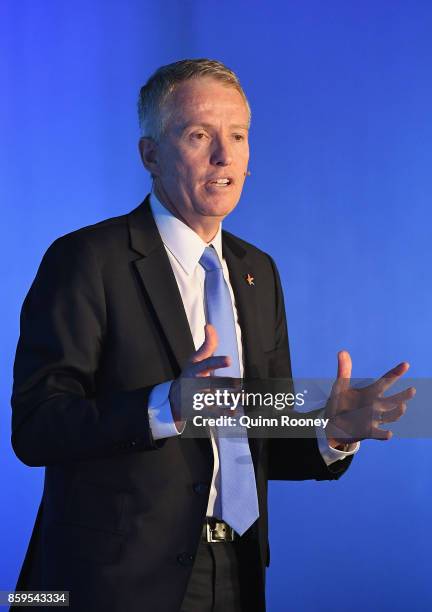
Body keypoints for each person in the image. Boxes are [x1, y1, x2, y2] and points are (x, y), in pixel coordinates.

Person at [10, 59, 415, 612]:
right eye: (200, 135)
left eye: (239, 135)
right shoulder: (86, 261)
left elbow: (256, 443)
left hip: (237, 573)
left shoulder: (258, 271)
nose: (225, 156)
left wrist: (330, 433)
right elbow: (36, 428)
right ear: (150, 154)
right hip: (109, 583)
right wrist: (165, 407)